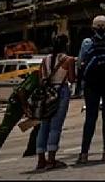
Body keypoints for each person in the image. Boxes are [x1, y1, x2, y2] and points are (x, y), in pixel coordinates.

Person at [76, 15, 105, 164]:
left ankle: (84, 153)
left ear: (93, 28)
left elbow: (80, 63)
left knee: (90, 117)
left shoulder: (87, 42)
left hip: (91, 85)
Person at [0, 70, 41, 164]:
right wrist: (25, 108)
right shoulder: (38, 74)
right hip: (17, 103)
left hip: (31, 105)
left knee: (39, 126)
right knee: (4, 129)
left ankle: (31, 151)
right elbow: (21, 91)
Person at [35, 34, 76, 170]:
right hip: (61, 92)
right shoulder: (68, 60)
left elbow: (40, 79)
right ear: (66, 44)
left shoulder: (45, 60)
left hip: (46, 94)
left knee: (44, 126)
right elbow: (71, 79)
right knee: (55, 126)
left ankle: (41, 160)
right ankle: (51, 159)